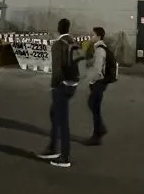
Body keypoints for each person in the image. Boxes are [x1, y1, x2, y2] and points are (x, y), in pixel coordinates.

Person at [38, 18, 80, 168]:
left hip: (61, 86)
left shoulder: (58, 45)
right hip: (72, 83)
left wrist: (54, 85)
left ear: (58, 28)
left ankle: (65, 157)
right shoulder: (73, 42)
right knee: (54, 113)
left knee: (62, 120)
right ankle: (52, 147)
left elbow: (56, 69)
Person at [85, 26, 117, 145]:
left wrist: (91, 81)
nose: (90, 37)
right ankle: (99, 131)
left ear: (98, 36)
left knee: (93, 105)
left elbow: (98, 69)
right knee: (94, 106)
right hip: (102, 82)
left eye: (92, 35)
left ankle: (98, 133)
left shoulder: (99, 50)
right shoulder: (101, 47)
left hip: (99, 82)